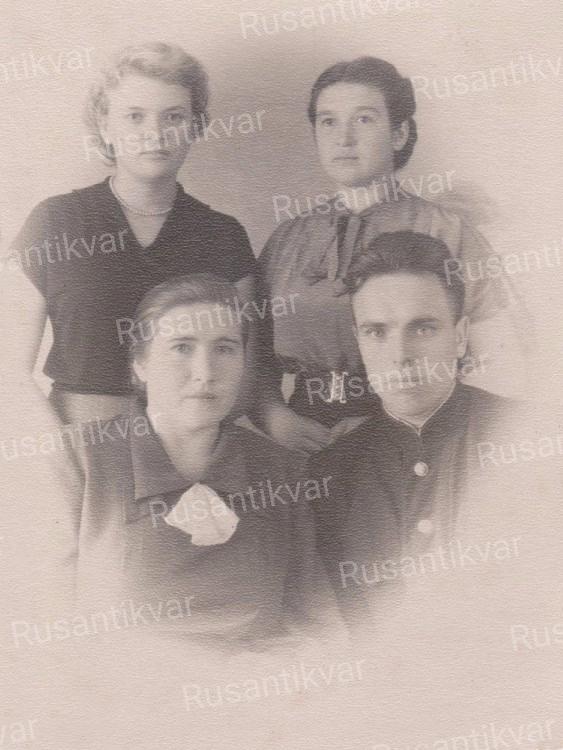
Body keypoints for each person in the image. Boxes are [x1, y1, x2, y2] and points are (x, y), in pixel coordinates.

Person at [257, 56, 527, 454]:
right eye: (328, 121)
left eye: (364, 119)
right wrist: (274, 417)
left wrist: (397, 424)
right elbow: (251, 353)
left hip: (418, 437)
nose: (343, 138)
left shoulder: (446, 230)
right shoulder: (288, 239)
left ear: (399, 133)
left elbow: (499, 359)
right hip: (305, 437)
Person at [70, 273, 337, 647]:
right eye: (182, 347)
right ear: (140, 363)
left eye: (225, 349)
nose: (205, 373)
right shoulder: (78, 458)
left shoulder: (282, 470)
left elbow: (318, 624)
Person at [3, 42, 256, 430]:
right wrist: (59, 455)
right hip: (78, 442)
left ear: (196, 126)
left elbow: (243, 377)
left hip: (191, 446)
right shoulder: (55, 221)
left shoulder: (224, 236)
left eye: (173, 117)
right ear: (105, 125)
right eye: (135, 116)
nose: (154, 134)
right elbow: (8, 372)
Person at [307, 231, 516, 628]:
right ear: (359, 341)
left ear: (460, 337)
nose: (400, 356)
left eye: (422, 329)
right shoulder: (329, 476)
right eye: (376, 332)